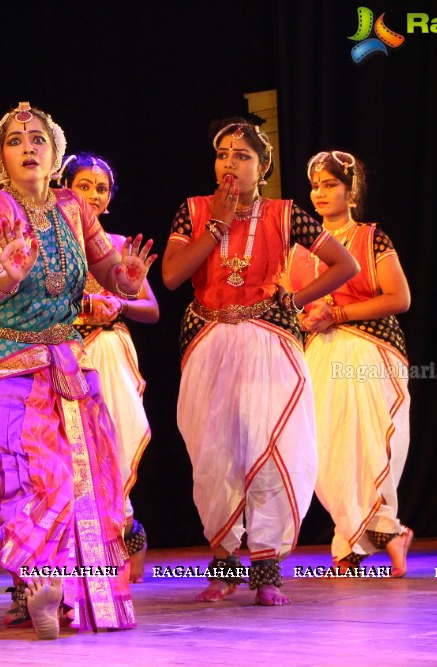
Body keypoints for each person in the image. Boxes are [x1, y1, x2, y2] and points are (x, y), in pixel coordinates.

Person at [0, 102, 156, 639]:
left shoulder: (72, 207)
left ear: (54, 151)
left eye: (37, 139)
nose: (28, 147)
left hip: (64, 366)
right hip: (0, 365)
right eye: (16, 140)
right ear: (2, 155)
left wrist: (127, 280)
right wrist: (9, 275)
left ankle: (58, 589)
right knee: (26, 476)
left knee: (76, 482)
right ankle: (41, 580)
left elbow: (111, 273)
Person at [160, 116, 359, 606]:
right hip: (209, 341)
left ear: (263, 167)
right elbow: (170, 277)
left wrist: (294, 300)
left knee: (270, 452)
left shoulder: (286, 213)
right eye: (223, 154)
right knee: (213, 455)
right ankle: (224, 560)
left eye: (242, 156)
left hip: (269, 342)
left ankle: (267, 565)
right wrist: (216, 227)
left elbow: (345, 265)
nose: (230, 163)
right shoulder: (193, 210)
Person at [287, 150, 413, 577]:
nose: (319, 193)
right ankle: (359, 534)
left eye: (330, 185)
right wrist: (306, 318)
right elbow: (289, 305)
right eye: (315, 185)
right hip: (319, 353)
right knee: (325, 449)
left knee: (367, 445)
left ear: (350, 189)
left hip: (369, 350)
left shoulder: (371, 238)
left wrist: (336, 314)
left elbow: (399, 299)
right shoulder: (299, 250)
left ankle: (382, 534)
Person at [58, 152, 160, 582]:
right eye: (84, 186)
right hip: (61, 352)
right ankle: (112, 540)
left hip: (108, 351)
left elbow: (151, 308)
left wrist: (120, 299)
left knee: (110, 447)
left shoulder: (117, 246)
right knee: (68, 456)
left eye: (101, 189)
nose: (94, 195)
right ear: (64, 191)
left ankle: (121, 537)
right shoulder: (53, 247)